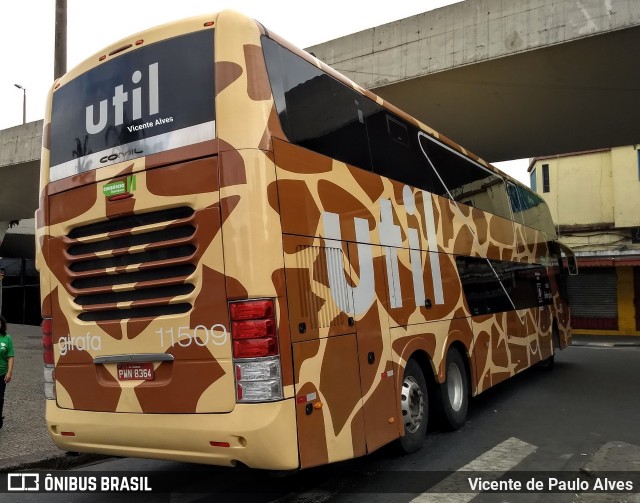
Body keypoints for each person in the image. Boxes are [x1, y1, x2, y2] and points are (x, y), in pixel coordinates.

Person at [0, 315, 14, 429]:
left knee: (0, 398)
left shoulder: (7, 338)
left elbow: (10, 356)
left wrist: (9, 372)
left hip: (1, 374)